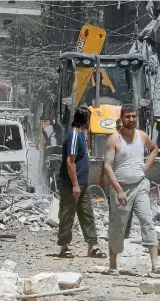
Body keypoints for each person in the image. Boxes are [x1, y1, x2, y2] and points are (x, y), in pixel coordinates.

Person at [103, 104, 160, 275]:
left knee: (147, 220)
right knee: (118, 225)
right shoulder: (114, 139)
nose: (131, 119)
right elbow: (108, 167)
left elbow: (155, 149)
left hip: (139, 186)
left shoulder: (142, 136)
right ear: (121, 119)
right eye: (127, 116)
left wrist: (145, 167)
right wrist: (118, 190)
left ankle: (155, 265)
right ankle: (113, 266)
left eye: (133, 116)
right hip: (120, 189)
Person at [57, 107, 106, 259]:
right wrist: (75, 185)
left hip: (82, 185)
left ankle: (92, 246)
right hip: (71, 185)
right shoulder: (73, 135)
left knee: (87, 214)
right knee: (67, 214)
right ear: (84, 120)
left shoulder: (81, 136)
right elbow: (70, 161)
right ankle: (64, 247)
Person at [99, 118, 134, 240]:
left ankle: (125, 234)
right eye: (118, 127)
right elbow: (106, 162)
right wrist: (102, 177)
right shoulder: (113, 142)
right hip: (114, 182)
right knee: (113, 207)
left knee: (128, 207)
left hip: (128, 182)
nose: (120, 129)